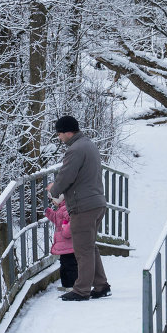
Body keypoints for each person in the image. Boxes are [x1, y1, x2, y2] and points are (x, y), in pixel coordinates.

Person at [47, 115, 111, 301]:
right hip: (96, 202)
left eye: (59, 133)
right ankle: (101, 286)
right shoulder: (88, 145)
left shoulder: (75, 150)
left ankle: (81, 290)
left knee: (82, 250)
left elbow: (66, 176)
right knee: (89, 247)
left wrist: (54, 190)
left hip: (83, 206)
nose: (59, 137)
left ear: (68, 132)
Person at [44, 199, 76, 290]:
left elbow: (72, 221)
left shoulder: (66, 208)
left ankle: (72, 285)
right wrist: (49, 212)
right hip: (64, 245)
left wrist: (66, 231)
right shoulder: (61, 209)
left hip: (69, 244)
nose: (52, 201)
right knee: (64, 265)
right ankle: (66, 284)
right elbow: (56, 218)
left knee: (71, 265)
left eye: (53, 199)